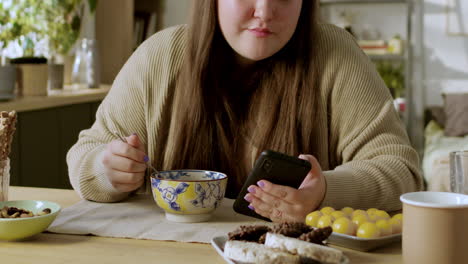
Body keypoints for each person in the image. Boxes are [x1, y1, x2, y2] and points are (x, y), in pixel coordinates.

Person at [67, 0, 423, 223]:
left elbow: (401, 171)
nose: (265, 11)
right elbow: (85, 155)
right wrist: (105, 169)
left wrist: (326, 190)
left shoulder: (335, 54)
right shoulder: (159, 55)